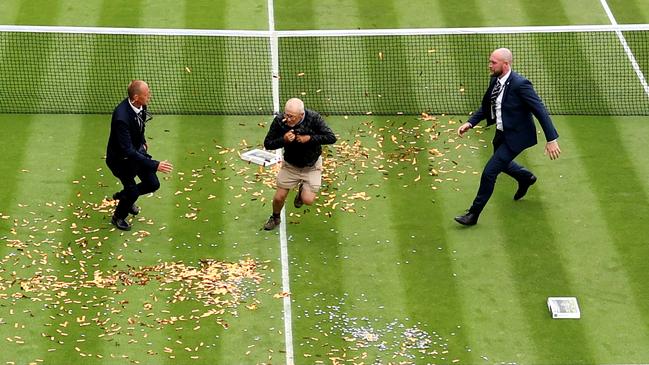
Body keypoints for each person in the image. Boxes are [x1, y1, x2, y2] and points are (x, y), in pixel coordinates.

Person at [454, 48, 561, 226]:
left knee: (490, 172)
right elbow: (488, 105)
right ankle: (525, 177)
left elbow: (540, 110)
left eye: (493, 62)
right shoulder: (495, 80)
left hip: (517, 137)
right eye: (490, 61)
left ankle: (473, 214)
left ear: (506, 64)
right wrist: (471, 122)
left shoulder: (521, 84)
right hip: (501, 133)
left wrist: (551, 139)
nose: (490, 65)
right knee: (502, 163)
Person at [106, 80, 173, 231]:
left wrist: (142, 140)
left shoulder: (141, 106)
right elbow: (127, 151)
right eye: (146, 94)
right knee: (133, 191)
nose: (149, 96)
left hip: (136, 153)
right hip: (120, 161)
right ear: (136, 97)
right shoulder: (121, 118)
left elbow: (140, 126)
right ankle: (118, 216)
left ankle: (124, 197)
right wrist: (156, 164)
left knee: (153, 184)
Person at [262, 98, 337, 230]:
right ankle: (275, 217)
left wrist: (309, 138)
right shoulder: (280, 121)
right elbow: (268, 144)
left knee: (308, 200)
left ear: (301, 115)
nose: (287, 119)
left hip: (311, 166)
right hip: (291, 165)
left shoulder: (314, 118)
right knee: (279, 197)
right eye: (286, 114)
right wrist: (284, 139)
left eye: (291, 116)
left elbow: (331, 137)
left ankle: (302, 190)